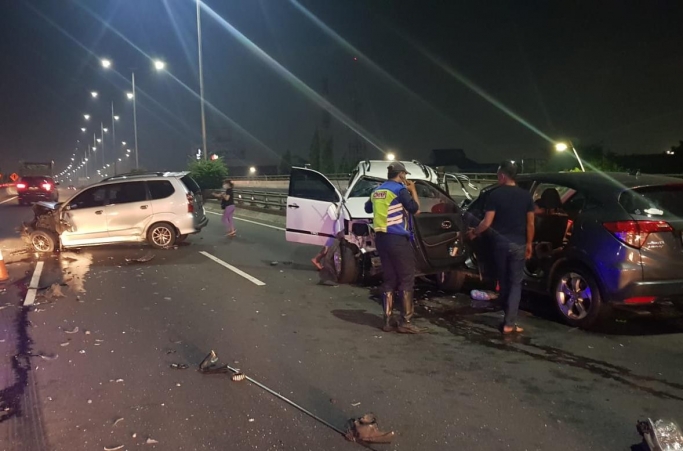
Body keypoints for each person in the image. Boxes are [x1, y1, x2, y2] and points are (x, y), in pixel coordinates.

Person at [466, 161, 534, 335]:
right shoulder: (526, 196)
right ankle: (509, 324)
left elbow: (487, 223)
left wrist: (474, 232)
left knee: (503, 281)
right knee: (515, 284)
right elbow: (530, 224)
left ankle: (505, 314)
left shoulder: (495, 195)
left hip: (500, 245)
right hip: (519, 244)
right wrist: (529, 244)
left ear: (503, 176)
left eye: (498, 175)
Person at [365, 162, 423, 334]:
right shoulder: (399, 189)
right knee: (406, 279)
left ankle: (387, 321)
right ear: (401, 174)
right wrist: (413, 190)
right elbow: (415, 209)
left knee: (389, 279)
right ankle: (405, 322)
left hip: (381, 240)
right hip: (398, 239)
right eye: (405, 174)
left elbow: (368, 208)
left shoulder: (377, 190)